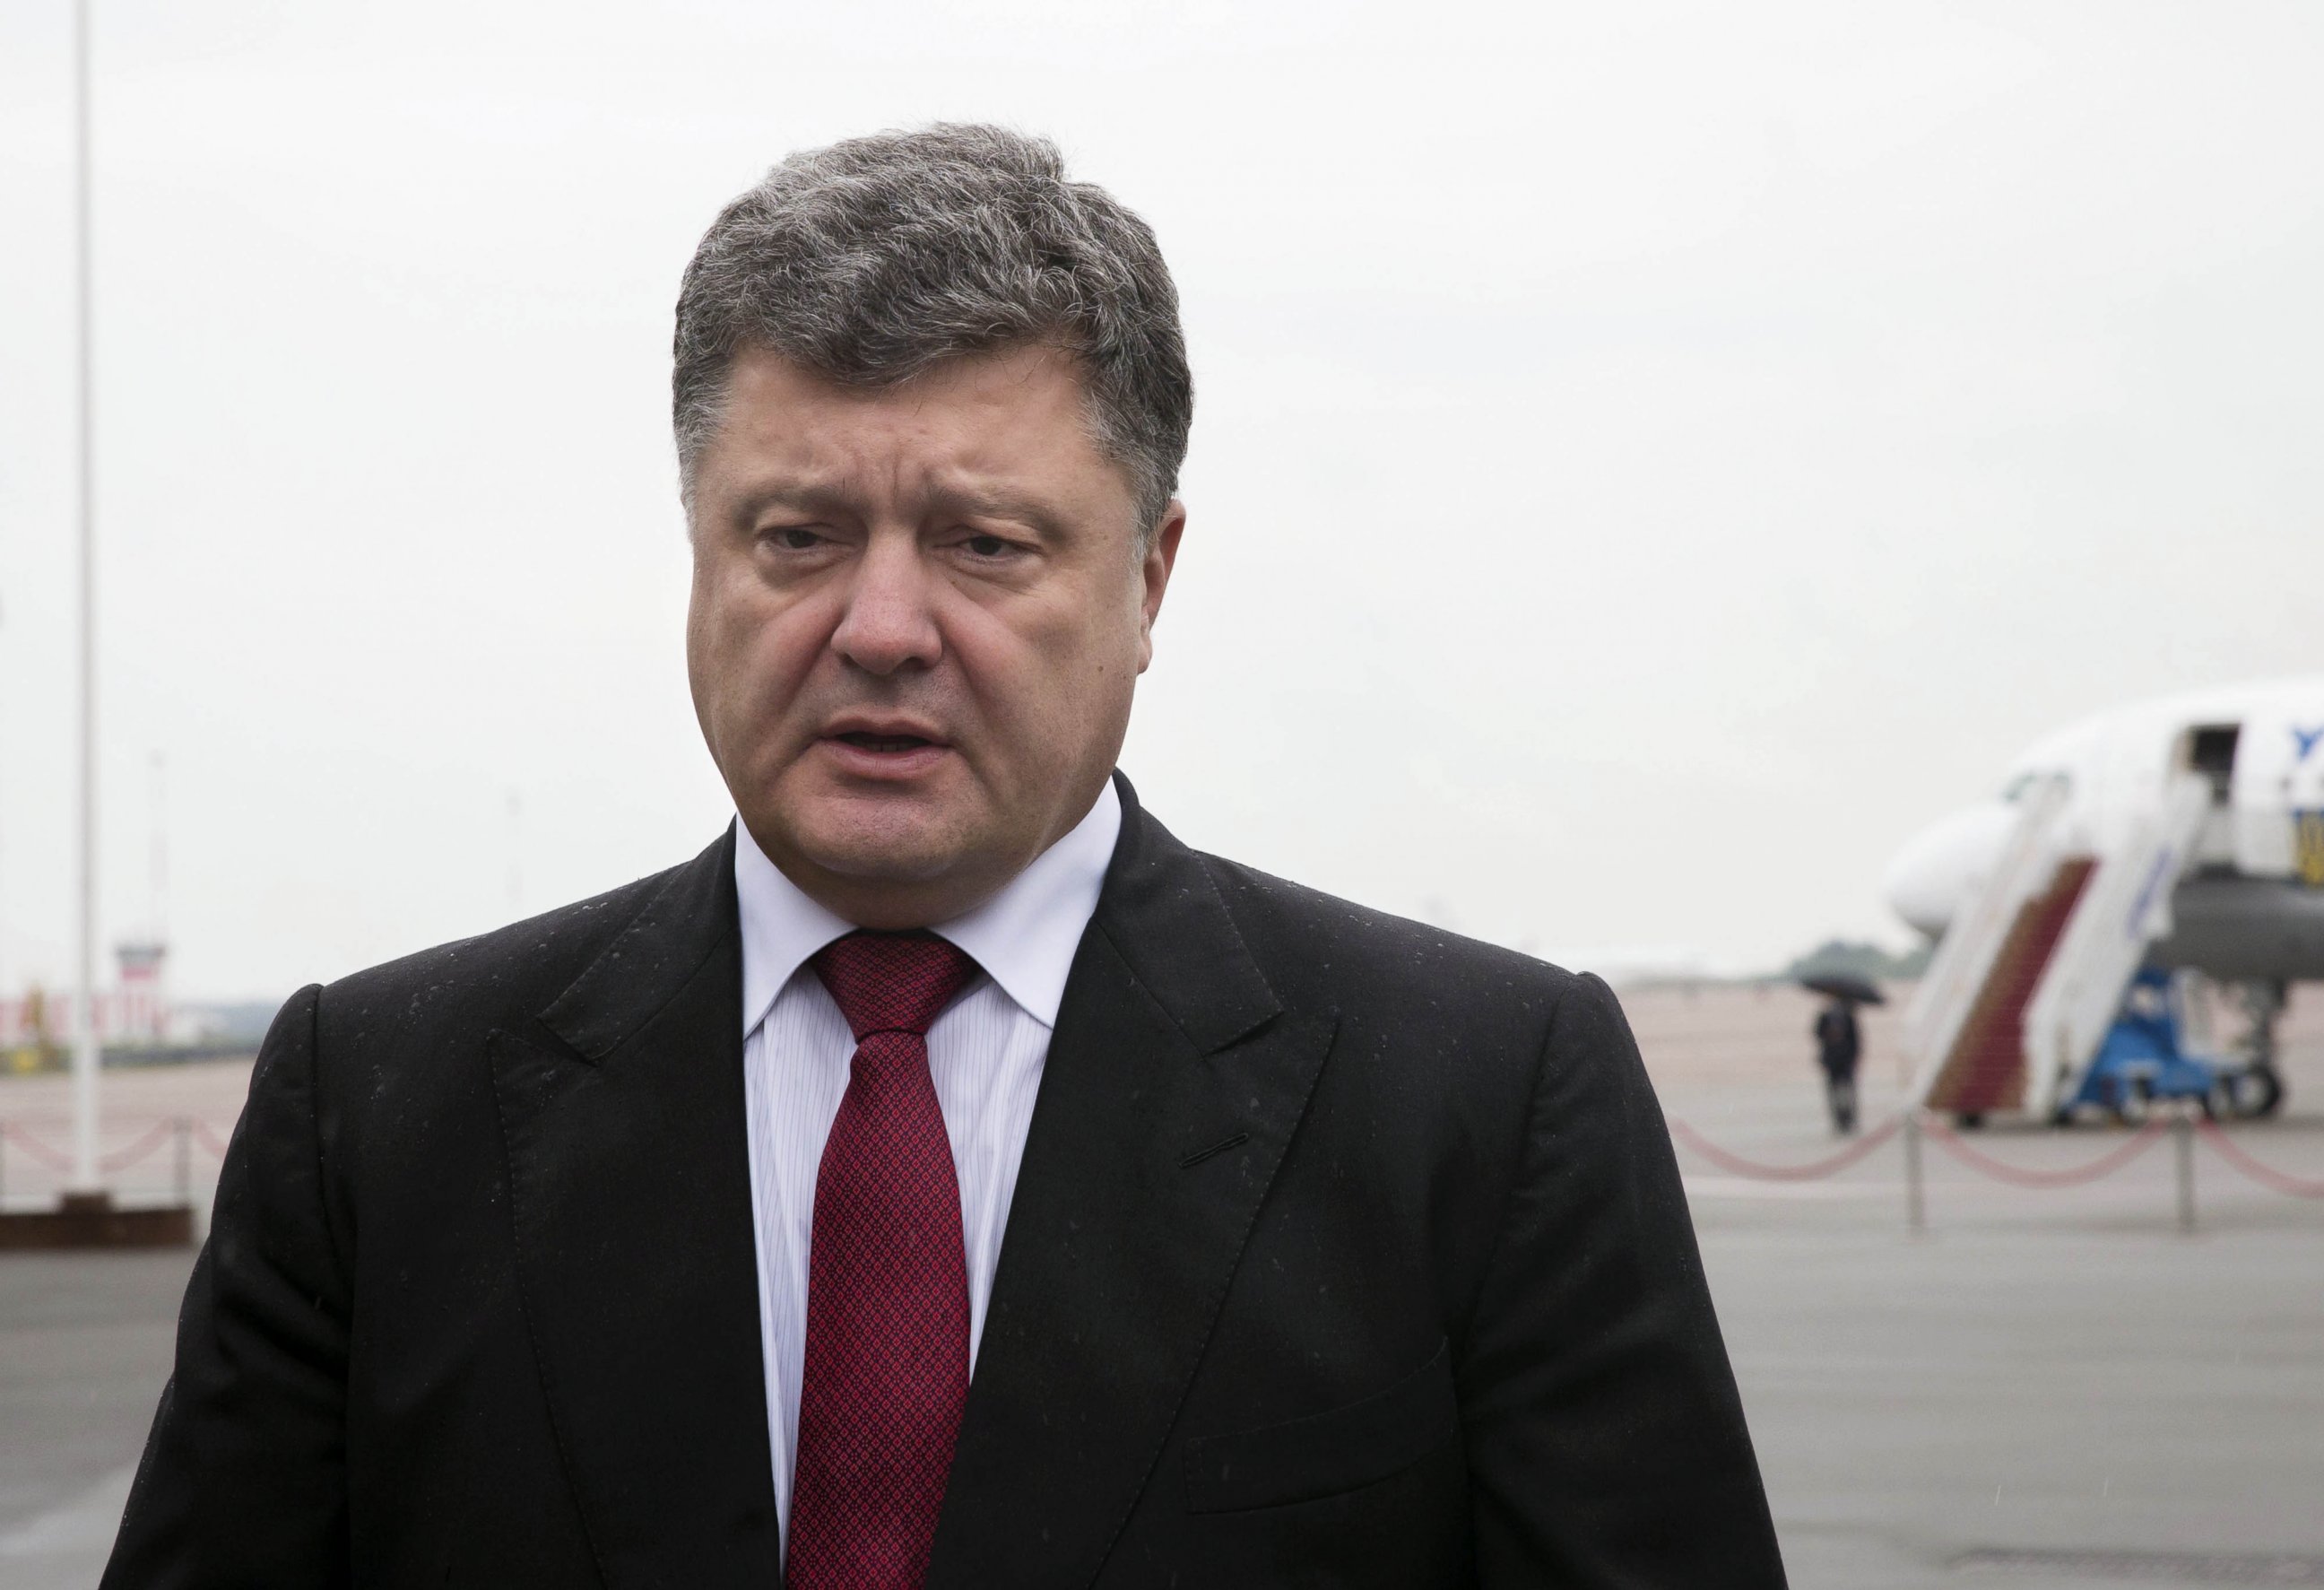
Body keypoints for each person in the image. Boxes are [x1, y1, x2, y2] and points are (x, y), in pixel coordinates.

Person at [103, 125, 1786, 1588]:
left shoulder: (1480, 1107)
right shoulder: (381, 1109)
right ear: (696, 551)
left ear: (1150, 580)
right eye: (797, 537)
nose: (882, 628)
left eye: (984, 544)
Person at [1815, 996, 1862, 1134]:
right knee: (1833, 1093)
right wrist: (1829, 1033)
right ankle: (1838, 1120)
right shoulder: (1824, 1017)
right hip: (1831, 1061)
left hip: (1846, 1060)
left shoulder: (1849, 1017)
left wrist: (1855, 1058)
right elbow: (1817, 1034)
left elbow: (1856, 1040)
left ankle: (1850, 1118)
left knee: (1849, 1092)